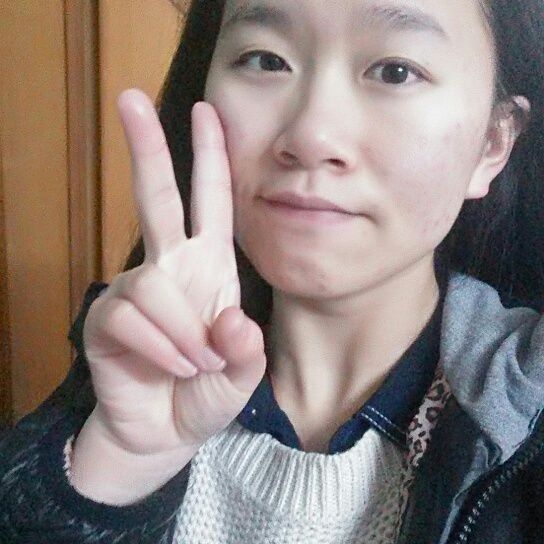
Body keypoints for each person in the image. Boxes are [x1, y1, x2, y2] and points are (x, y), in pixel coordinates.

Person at [1, 0, 543, 542]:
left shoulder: (526, 416)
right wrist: (117, 466)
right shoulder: (135, 360)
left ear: (493, 143)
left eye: (395, 72)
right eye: (265, 60)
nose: (311, 137)